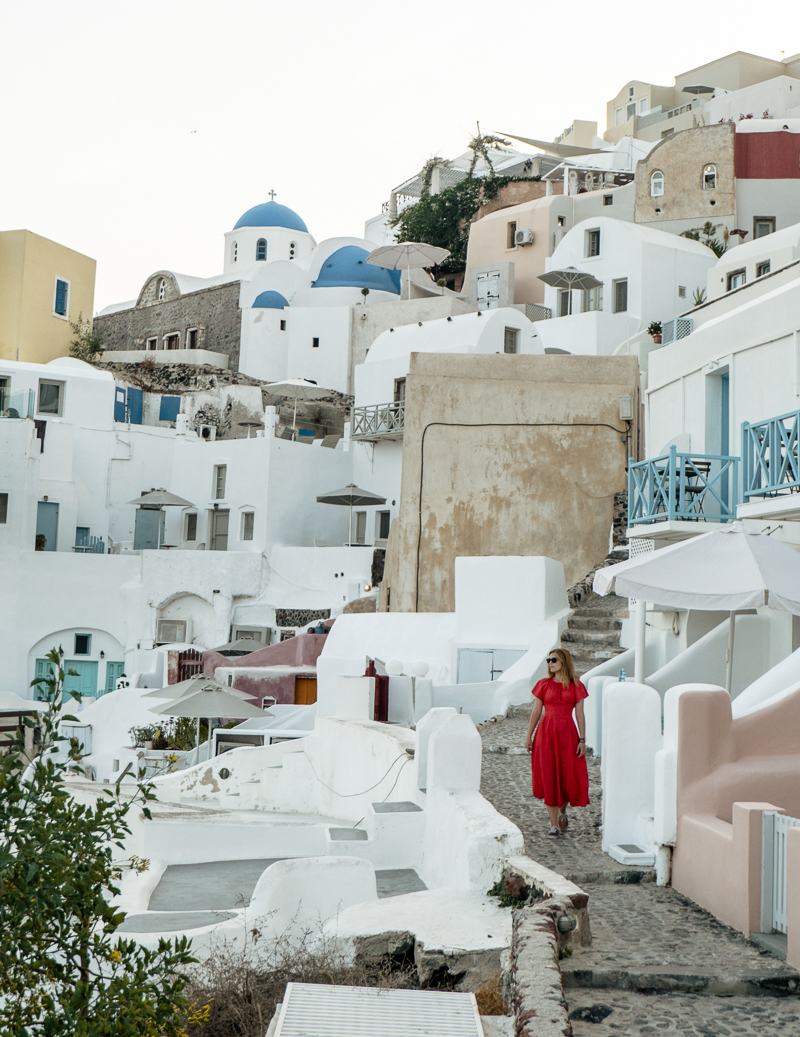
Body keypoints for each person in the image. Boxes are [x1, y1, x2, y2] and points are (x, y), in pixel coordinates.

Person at [525, 647, 589, 838]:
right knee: (548, 776)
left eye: (553, 660)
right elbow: (536, 712)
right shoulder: (543, 684)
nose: (550, 663)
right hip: (546, 734)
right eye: (548, 660)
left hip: (568, 734)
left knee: (567, 776)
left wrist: (582, 739)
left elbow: (579, 714)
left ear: (563, 662)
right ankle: (553, 824)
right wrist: (528, 736)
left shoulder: (576, 685)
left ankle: (563, 812)